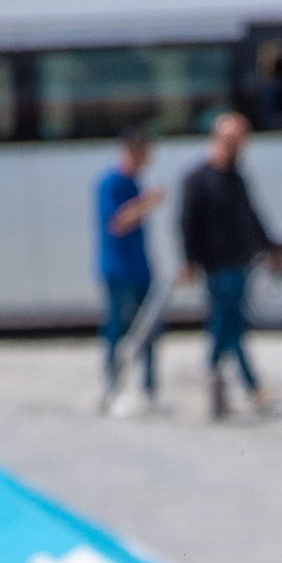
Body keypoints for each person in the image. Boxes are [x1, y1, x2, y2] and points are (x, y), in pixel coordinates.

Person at [175, 111, 273, 422]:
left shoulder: (236, 177)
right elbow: (186, 224)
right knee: (230, 323)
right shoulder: (198, 179)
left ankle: (214, 379)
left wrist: (270, 248)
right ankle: (250, 385)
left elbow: (252, 215)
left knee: (225, 324)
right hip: (214, 264)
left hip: (239, 260)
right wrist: (189, 260)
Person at [96, 129, 164, 414]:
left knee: (149, 329)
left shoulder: (134, 183)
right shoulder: (111, 183)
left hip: (139, 267)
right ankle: (112, 385)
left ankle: (148, 388)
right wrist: (146, 204)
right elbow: (117, 222)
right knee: (116, 328)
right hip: (118, 268)